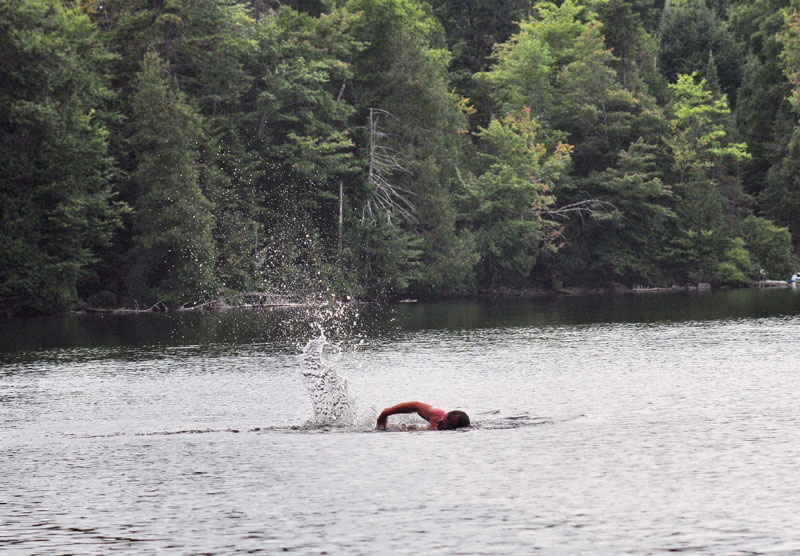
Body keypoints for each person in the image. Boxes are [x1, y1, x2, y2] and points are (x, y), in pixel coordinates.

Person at [375, 401, 470, 430]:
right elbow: (416, 405)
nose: (439, 422)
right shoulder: (437, 415)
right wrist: (385, 414)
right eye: (443, 419)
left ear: (453, 428)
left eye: (445, 423)